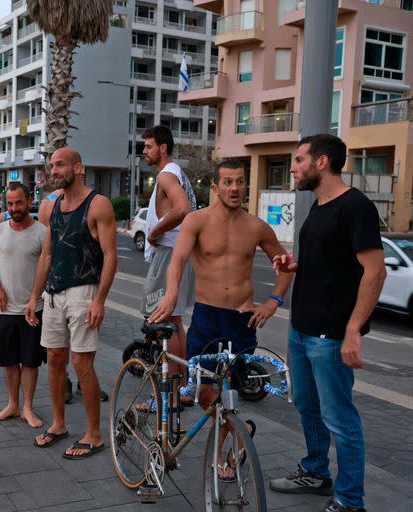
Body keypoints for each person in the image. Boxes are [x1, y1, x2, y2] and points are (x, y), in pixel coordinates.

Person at [148, 160, 294, 478]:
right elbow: (179, 259)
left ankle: (232, 442)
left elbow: (284, 264)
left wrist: (273, 301)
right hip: (207, 316)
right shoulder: (197, 221)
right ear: (215, 187)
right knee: (201, 390)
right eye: (227, 182)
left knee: (231, 392)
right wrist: (171, 292)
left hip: (241, 319)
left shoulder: (256, 226)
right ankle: (239, 434)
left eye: (240, 182)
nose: (234, 188)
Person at [269, 135, 386, 512]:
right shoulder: (319, 207)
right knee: (305, 403)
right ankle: (317, 472)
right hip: (302, 328)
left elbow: (375, 272)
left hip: (331, 335)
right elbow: (332, 264)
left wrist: (353, 330)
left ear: (321, 163)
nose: (293, 167)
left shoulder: (355, 207)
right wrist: (294, 267)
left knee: (340, 418)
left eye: (299, 159)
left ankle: (351, 501)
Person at [26, 147, 117, 459]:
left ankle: (94, 434)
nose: (54, 170)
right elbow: (47, 255)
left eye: (60, 164)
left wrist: (100, 301)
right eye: (52, 165)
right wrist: (34, 297)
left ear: (79, 168)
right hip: (53, 293)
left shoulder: (98, 204)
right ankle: (58, 424)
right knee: (53, 360)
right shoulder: (50, 207)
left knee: (82, 364)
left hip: (84, 291)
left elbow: (111, 256)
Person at [141, 125, 196, 409]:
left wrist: (154, 232)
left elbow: (182, 208)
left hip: (168, 253)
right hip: (177, 252)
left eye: (148, 146)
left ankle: (170, 396)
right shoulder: (176, 173)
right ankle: (182, 389)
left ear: (162, 147)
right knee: (175, 323)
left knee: (163, 324)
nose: (144, 151)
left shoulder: (166, 174)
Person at [0, 183, 46, 428]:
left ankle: (28, 408)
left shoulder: (42, 232)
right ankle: (12, 404)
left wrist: (34, 298)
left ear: (29, 200)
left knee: (30, 361)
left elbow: (46, 269)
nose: (14, 208)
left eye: (18, 203)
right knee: (9, 359)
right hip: (4, 308)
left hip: (34, 308)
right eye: (9, 204)